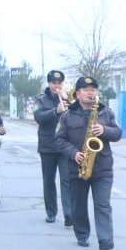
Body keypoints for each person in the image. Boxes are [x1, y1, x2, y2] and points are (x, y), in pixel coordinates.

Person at [54, 76, 122, 250]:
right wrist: (73, 153)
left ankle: (105, 239)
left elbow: (117, 133)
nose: (91, 93)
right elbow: (59, 140)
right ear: (77, 93)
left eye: (94, 90)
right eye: (87, 89)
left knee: (103, 205)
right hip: (77, 167)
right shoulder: (67, 115)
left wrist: (104, 130)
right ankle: (82, 234)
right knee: (79, 204)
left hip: (103, 167)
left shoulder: (105, 112)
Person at [34, 70, 73, 226]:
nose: (57, 86)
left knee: (67, 180)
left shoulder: (67, 98)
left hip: (64, 146)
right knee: (48, 181)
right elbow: (39, 117)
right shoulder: (41, 100)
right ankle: (51, 212)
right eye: (54, 83)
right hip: (47, 146)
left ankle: (69, 213)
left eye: (59, 83)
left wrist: (68, 102)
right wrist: (55, 111)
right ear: (49, 84)